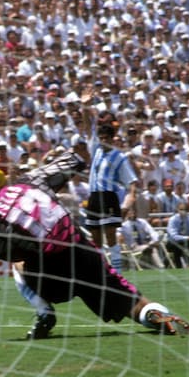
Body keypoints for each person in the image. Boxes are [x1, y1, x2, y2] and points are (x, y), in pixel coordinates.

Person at [0, 152, 189, 345]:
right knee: (127, 300)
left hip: (52, 276)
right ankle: (156, 314)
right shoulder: (29, 181)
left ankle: (44, 311)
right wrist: (58, 159)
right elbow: (72, 161)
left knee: (16, 261)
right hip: (83, 252)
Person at [84, 111, 138, 273]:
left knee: (111, 236)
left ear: (112, 138)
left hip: (108, 197)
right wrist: (85, 106)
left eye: (106, 137)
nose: (102, 140)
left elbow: (132, 183)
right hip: (93, 197)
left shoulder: (119, 157)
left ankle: (117, 272)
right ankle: (100, 272)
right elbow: (87, 127)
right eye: (101, 137)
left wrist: (127, 204)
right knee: (96, 239)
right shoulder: (96, 151)